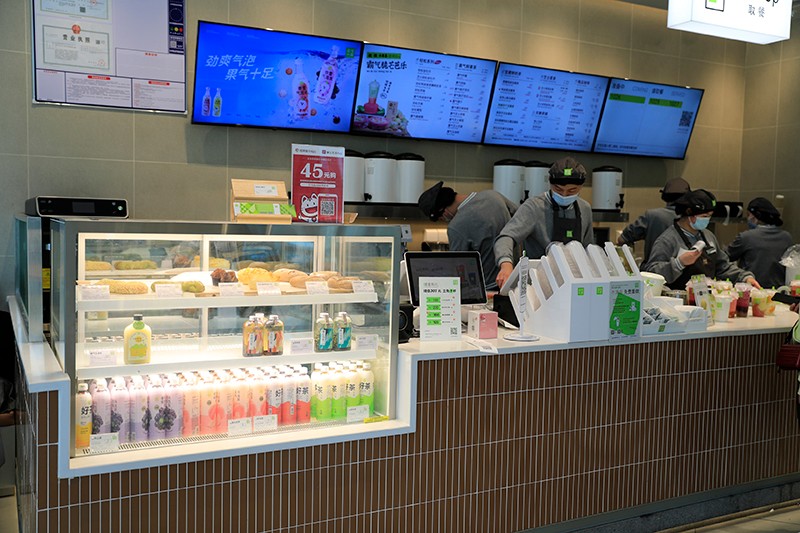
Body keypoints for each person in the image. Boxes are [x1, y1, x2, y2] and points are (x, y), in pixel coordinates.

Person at [494, 156, 594, 289]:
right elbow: (506, 237)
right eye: (558, 189)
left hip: (574, 282)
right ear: (550, 184)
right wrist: (506, 264)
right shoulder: (534, 207)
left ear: (581, 187)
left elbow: (588, 249)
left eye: (572, 191)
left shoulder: (584, 208)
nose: (564, 195)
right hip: (538, 284)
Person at [643, 189, 761, 290]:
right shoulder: (667, 240)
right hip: (677, 302)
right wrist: (679, 263)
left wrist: (744, 277)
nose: (707, 220)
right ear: (689, 213)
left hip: (705, 299)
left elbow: (723, 266)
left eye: (709, 216)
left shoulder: (708, 236)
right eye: (704, 216)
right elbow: (652, 274)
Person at [418, 181, 518, 290]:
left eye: (441, 219)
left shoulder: (456, 226)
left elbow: (457, 269)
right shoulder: (493, 195)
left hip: (490, 288)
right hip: (517, 278)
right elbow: (520, 216)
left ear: (444, 212)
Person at [617, 177, 691, 265]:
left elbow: (622, 239)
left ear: (664, 196)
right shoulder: (692, 218)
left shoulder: (652, 216)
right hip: (686, 271)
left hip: (653, 270)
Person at [726, 197, 794, 289]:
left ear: (756, 217)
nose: (748, 218)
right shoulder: (787, 237)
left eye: (749, 215)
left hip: (752, 289)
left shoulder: (746, 237)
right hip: (779, 291)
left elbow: (723, 259)